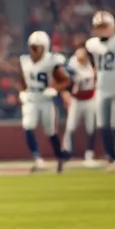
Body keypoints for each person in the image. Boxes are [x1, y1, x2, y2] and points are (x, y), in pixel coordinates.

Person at [85, 10, 115, 171]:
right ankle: (111, 159)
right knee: (103, 125)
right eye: (99, 27)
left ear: (112, 26)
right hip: (101, 88)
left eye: (104, 26)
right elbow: (93, 62)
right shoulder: (92, 44)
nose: (102, 30)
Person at [19, 30, 69, 173]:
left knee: (50, 131)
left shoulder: (51, 61)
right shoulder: (25, 60)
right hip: (32, 98)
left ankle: (59, 157)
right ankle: (37, 158)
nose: (34, 51)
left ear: (45, 47)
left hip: (45, 98)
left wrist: (55, 89)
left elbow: (66, 80)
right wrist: (22, 91)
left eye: (37, 47)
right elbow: (23, 78)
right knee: (28, 125)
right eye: (32, 47)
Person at [62, 46, 98, 164]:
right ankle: (67, 152)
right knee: (70, 126)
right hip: (76, 99)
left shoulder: (92, 62)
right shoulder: (72, 64)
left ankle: (89, 153)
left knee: (91, 127)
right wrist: (66, 92)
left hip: (90, 98)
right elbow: (65, 79)